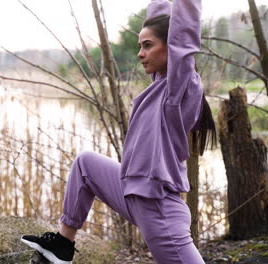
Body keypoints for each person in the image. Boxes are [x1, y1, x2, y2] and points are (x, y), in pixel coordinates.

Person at [21, 0, 216, 263]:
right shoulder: (159, 84)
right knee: (85, 164)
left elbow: (185, 29)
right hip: (133, 192)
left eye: (148, 45)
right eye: (140, 45)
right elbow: (160, 13)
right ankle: (62, 244)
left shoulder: (179, 88)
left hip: (160, 209)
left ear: (172, 48)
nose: (140, 53)